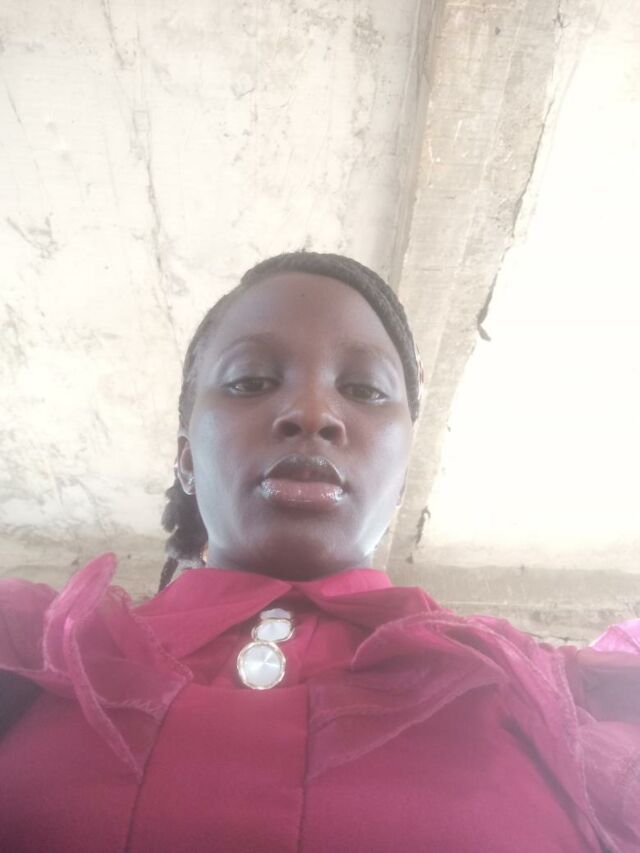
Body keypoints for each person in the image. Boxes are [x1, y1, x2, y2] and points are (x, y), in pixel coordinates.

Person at [0, 251, 638, 852]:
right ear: (187, 459)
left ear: (402, 475)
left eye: (365, 390)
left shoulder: (560, 703)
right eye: (250, 381)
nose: (311, 413)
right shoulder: (29, 660)